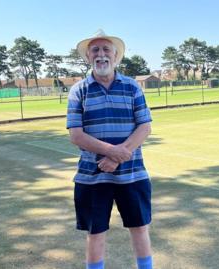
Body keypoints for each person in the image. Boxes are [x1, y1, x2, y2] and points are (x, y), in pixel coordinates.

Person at [66, 29, 153, 269]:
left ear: (116, 56)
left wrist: (117, 157)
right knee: (95, 233)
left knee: (139, 228)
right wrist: (114, 152)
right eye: (95, 50)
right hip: (92, 176)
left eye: (106, 50)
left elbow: (145, 127)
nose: (101, 55)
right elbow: (76, 135)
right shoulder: (78, 91)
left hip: (132, 173)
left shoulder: (133, 87)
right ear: (88, 57)